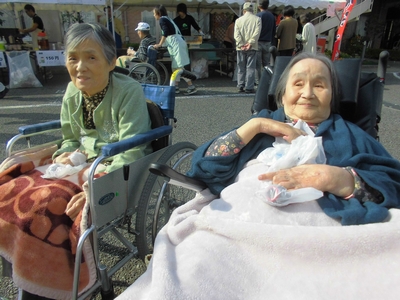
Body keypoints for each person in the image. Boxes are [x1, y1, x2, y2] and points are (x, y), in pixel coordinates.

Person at [115, 52, 400, 300]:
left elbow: (392, 185)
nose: (308, 93)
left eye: (320, 85)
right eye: (298, 83)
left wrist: (336, 178)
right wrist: (254, 126)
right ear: (282, 93)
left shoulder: (350, 134)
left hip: (319, 237)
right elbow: (203, 169)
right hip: (237, 227)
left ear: (333, 96)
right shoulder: (261, 126)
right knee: (194, 269)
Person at [0, 23, 152, 298]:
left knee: (48, 206)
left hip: (111, 167)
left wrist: (96, 187)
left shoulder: (128, 91)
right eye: (73, 58)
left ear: (110, 62)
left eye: (91, 57)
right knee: (10, 189)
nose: (80, 66)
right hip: (78, 163)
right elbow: (69, 137)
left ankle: (54, 284)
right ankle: (25, 269)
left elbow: (132, 152)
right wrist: (67, 153)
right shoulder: (72, 91)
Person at [153, 5, 197, 95]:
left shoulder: (162, 20)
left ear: (158, 13)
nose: (154, 16)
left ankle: (191, 86)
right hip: (178, 43)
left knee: (179, 67)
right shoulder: (167, 18)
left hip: (176, 44)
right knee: (175, 67)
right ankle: (175, 87)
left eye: (154, 14)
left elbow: (165, 32)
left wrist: (160, 44)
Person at [234, 2, 261, 94]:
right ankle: (249, 87)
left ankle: (240, 85)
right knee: (250, 67)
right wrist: (250, 43)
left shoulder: (238, 20)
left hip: (240, 47)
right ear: (253, 10)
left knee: (241, 66)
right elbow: (257, 32)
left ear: (244, 10)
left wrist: (241, 44)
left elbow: (236, 34)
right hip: (252, 47)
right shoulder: (257, 19)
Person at [256, 0, 276, 83]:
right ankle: (267, 80)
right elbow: (274, 30)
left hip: (258, 41)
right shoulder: (272, 16)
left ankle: (259, 81)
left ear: (259, 6)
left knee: (257, 64)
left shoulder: (258, 16)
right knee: (266, 64)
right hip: (268, 42)